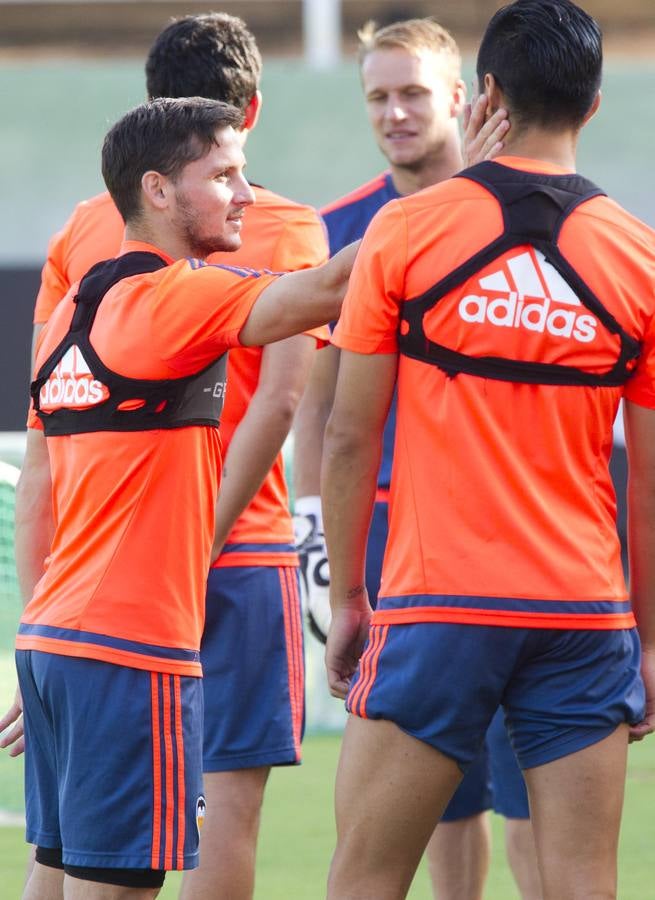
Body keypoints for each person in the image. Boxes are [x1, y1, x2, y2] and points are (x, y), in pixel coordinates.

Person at [321, 1, 654, 898]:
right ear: (591, 105)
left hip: (437, 604)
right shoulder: (639, 257)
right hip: (584, 614)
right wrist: (649, 641)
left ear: (488, 94)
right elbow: (651, 482)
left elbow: (349, 436)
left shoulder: (402, 229)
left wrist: (349, 593)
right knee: (583, 881)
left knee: (364, 875)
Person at [4, 13, 329, 899]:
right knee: (209, 816)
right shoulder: (229, 260)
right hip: (194, 571)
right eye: (222, 175)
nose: (241, 193)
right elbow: (285, 395)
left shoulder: (82, 248)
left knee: (64, 851)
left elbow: (43, 455)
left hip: (75, 601)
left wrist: (37, 622)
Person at [292, 18, 540, 900]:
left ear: (461, 101)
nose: (394, 113)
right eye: (377, 96)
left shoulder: (528, 211)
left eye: (412, 94)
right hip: (388, 528)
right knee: (431, 789)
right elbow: (316, 408)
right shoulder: (339, 229)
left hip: (506, 526)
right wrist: (317, 533)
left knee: (527, 785)